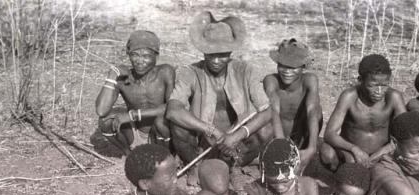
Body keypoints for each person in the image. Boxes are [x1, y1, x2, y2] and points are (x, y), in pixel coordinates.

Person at [166, 11, 273, 168]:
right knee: (178, 127)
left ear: (230, 52)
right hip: (204, 140)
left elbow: (267, 111)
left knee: (266, 129)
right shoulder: (189, 72)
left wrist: (238, 135)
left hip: (238, 140)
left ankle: (236, 166)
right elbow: (173, 111)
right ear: (203, 51)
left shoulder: (245, 70)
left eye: (222, 55)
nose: (216, 60)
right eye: (211, 54)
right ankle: (195, 166)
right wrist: (212, 131)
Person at [320, 54, 406, 170]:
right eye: (373, 85)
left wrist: (381, 153)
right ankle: (343, 173)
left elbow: (406, 134)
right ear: (360, 80)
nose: (379, 91)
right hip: (351, 153)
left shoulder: (394, 97)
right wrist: (354, 149)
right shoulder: (349, 96)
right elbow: (329, 134)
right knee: (327, 152)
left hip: (383, 153)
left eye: (384, 85)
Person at [96, 30, 175, 155]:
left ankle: (165, 155)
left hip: (160, 133)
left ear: (156, 56)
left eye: (146, 56)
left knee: (161, 122)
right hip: (135, 133)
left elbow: (173, 108)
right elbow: (101, 111)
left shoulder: (165, 72)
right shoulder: (123, 78)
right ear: (129, 55)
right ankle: (129, 153)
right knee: (106, 120)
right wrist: (112, 74)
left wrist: (133, 115)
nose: (139, 61)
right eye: (135, 55)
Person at [264, 38, 323, 172]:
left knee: (317, 110)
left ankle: (306, 151)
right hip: (277, 135)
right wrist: (281, 145)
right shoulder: (271, 80)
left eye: (293, 67)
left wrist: (312, 147)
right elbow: (274, 110)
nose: (287, 71)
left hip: (300, 137)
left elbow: (312, 110)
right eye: (282, 65)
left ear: (303, 67)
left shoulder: (310, 80)